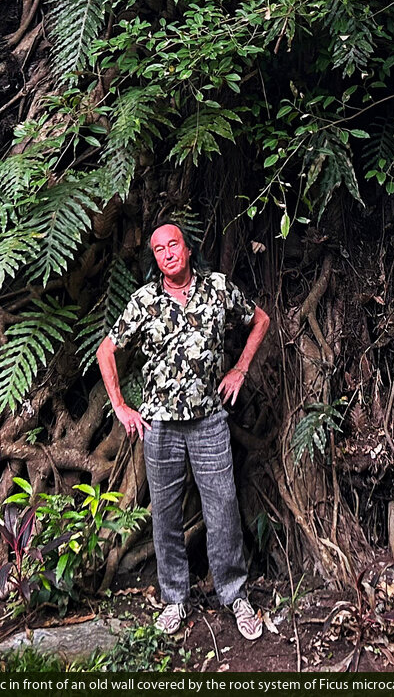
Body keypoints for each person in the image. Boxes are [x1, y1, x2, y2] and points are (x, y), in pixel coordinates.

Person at [96, 223, 273, 640]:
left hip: (209, 420)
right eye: (158, 249)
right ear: (155, 259)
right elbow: (107, 350)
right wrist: (120, 406)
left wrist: (240, 368)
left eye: (173, 244)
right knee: (166, 516)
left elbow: (261, 319)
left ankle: (235, 595)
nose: (167, 253)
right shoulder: (144, 301)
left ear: (188, 249)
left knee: (223, 509)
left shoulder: (218, 288)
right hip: (159, 427)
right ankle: (175, 599)